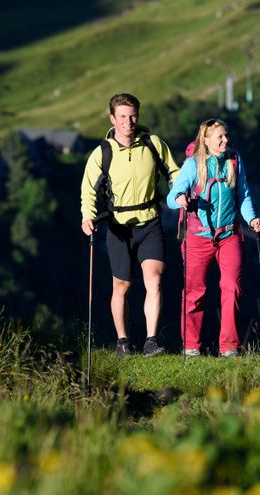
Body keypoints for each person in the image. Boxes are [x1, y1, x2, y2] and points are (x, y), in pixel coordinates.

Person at [80, 93, 180, 356]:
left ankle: (151, 341)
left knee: (154, 280)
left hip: (150, 222)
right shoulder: (102, 153)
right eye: (123, 116)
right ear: (112, 119)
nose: (129, 121)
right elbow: (88, 189)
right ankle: (123, 341)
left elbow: (174, 171)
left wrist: (180, 192)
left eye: (133, 115)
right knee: (121, 286)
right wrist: (87, 216)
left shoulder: (153, 144)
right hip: (119, 227)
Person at [166, 118, 260, 357]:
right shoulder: (193, 164)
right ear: (206, 140)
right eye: (219, 137)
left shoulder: (234, 161)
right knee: (194, 292)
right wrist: (180, 198)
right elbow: (171, 197)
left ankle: (229, 347)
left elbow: (244, 195)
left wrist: (251, 219)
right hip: (198, 237)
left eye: (226, 135)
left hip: (229, 234)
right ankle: (191, 347)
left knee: (232, 287)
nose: (225, 140)